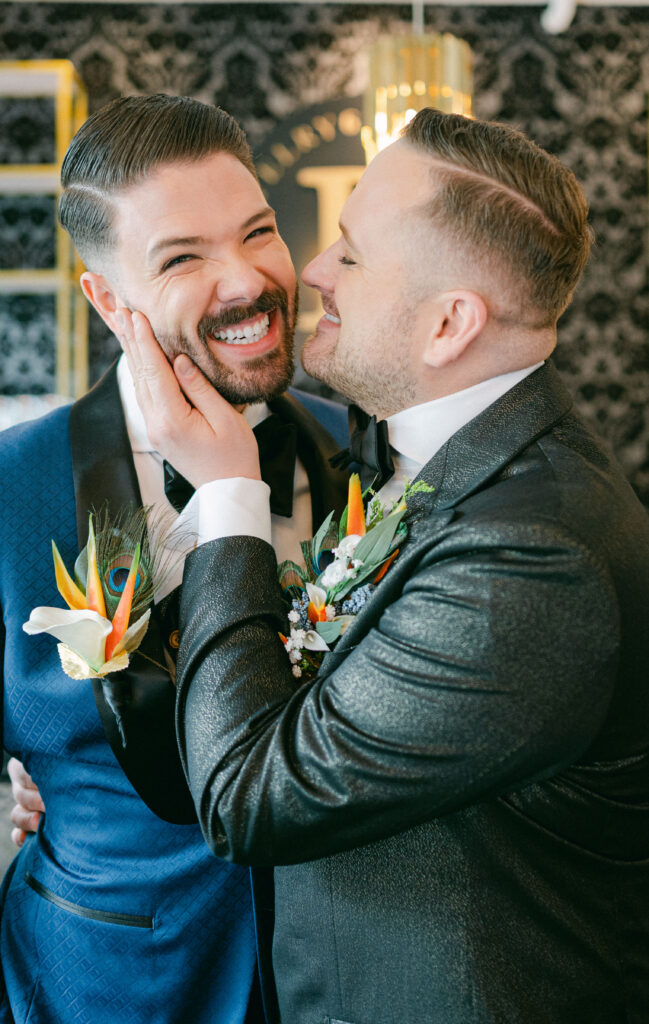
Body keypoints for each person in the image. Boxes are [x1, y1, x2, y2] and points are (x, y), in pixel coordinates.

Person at [119, 109, 649, 1024]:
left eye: (352, 255)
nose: (311, 272)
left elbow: (251, 800)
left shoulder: (529, 557)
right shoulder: (425, 459)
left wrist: (227, 496)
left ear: (448, 324)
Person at [0, 93, 347, 1024]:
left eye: (257, 232)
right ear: (107, 297)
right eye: (182, 258)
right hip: (100, 988)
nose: (248, 280)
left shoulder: (361, 452)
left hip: (345, 979)